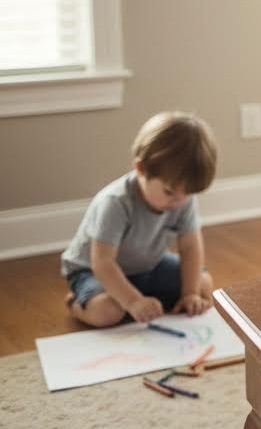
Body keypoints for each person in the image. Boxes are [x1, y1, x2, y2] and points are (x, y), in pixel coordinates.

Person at [61, 113, 218, 327]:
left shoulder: (182, 199)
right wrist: (133, 301)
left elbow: (190, 247)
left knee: (203, 285)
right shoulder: (116, 202)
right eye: (169, 192)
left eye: (188, 193)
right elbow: (102, 262)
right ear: (141, 169)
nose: (178, 202)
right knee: (107, 312)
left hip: (148, 265)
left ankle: (139, 295)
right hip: (94, 270)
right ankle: (77, 303)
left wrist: (190, 293)